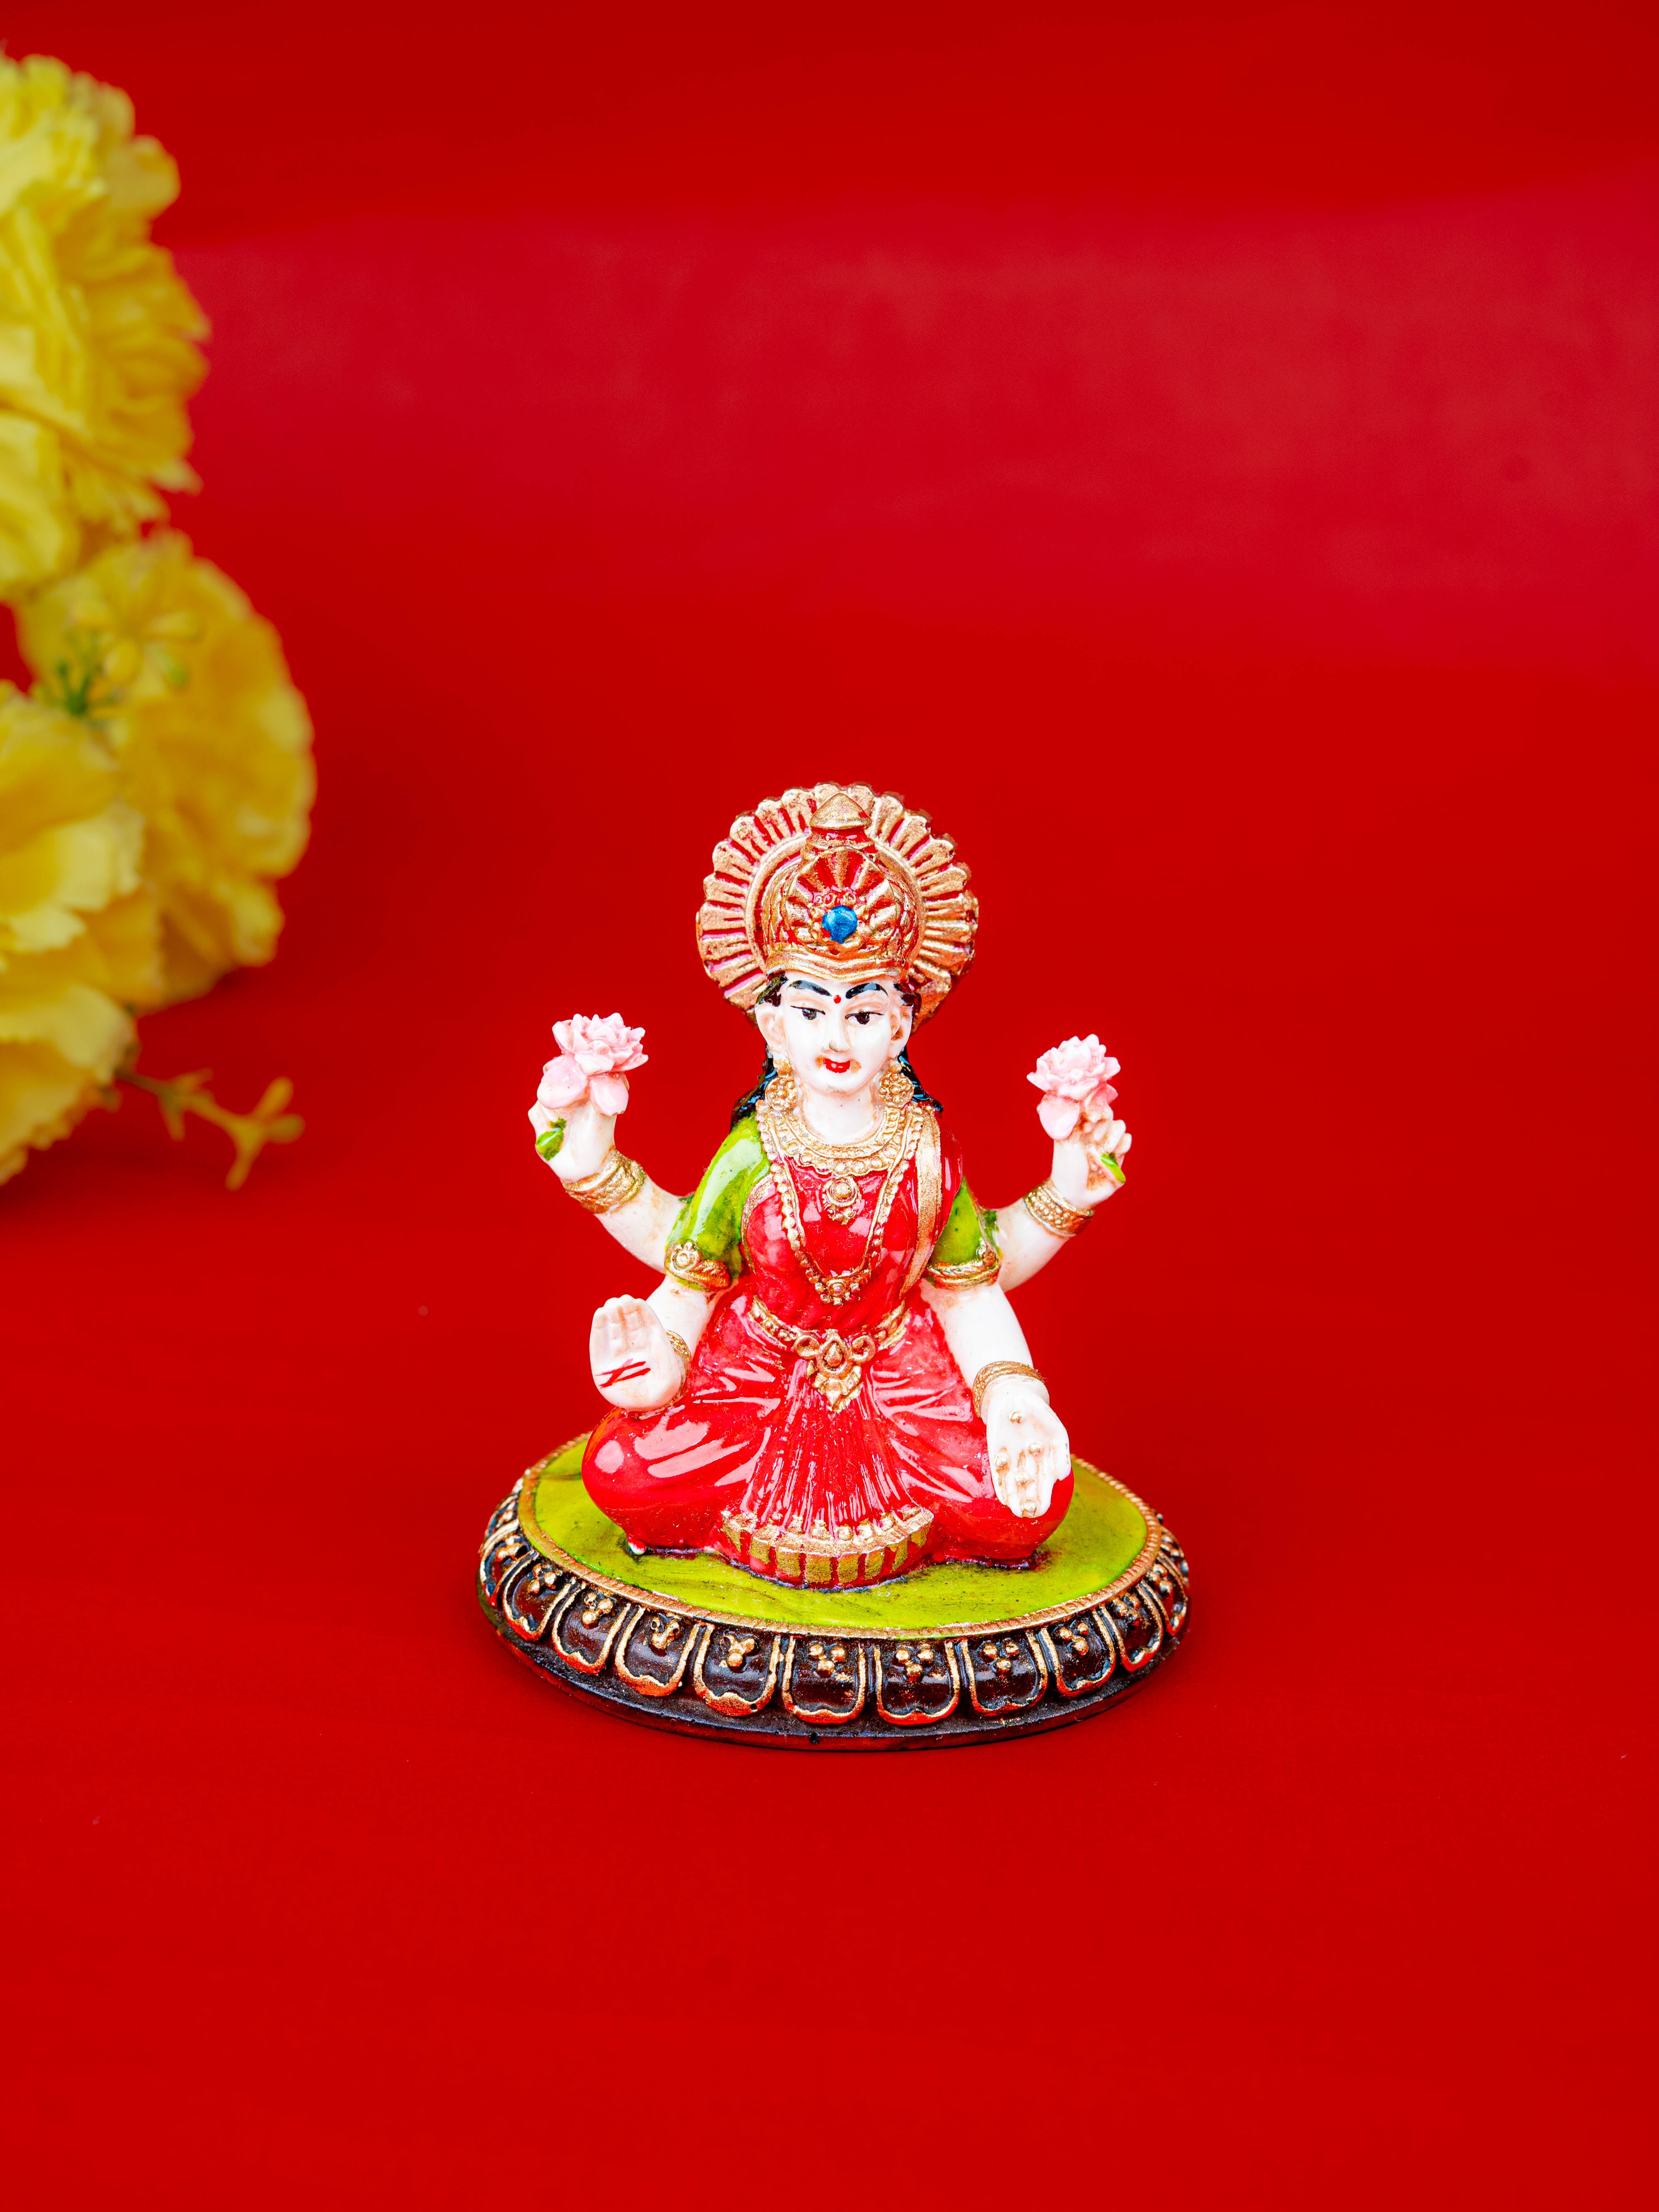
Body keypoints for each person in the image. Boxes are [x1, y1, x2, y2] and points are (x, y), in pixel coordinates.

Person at [533, 784, 1129, 1590]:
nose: (836, 1038)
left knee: (1028, 1497)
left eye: (863, 1012)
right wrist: (656, 1367)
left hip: (900, 1385)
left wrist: (1013, 1399)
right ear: (774, 1026)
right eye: (811, 1012)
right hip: (753, 1379)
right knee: (621, 1470)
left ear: (900, 1026)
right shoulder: (752, 1152)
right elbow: (691, 1279)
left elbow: (970, 1290)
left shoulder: (925, 1151)